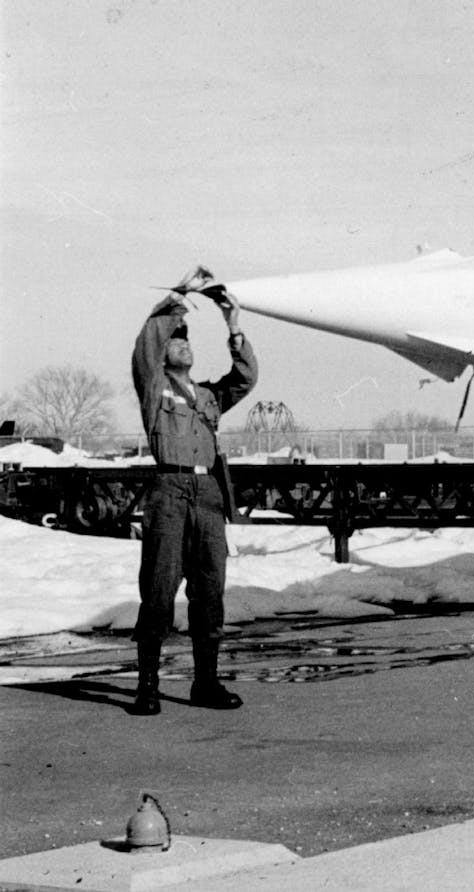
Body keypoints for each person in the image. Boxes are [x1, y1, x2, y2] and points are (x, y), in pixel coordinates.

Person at [129, 268, 257, 715]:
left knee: (209, 591)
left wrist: (233, 324)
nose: (184, 343)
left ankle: (206, 684)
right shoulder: (153, 386)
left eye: (187, 339)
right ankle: (147, 686)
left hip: (207, 494)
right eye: (176, 339)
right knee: (160, 590)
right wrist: (178, 296)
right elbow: (148, 339)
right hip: (169, 490)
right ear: (162, 354)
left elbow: (244, 379)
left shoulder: (206, 396)